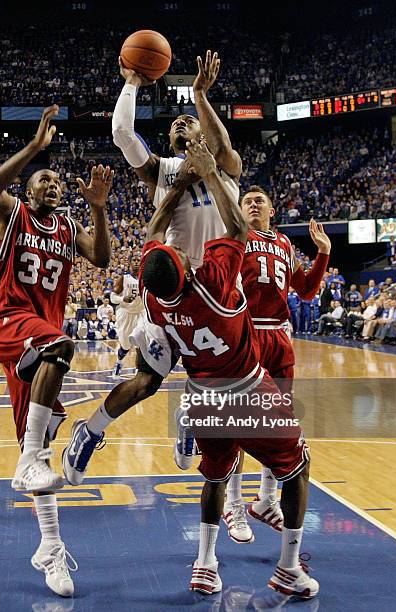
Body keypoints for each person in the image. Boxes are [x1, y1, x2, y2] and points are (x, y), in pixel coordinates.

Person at [138, 142, 317, 598]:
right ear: (182, 265)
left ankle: (204, 563)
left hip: (202, 391)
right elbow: (234, 226)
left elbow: (154, 241)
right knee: (297, 463)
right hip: (246, 384)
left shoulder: (155, 300)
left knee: (214, 474)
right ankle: (288, 568)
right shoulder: (214, 282)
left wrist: (173, 191)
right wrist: (209, 174)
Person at [62, 49, 242, 480]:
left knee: (215, 380)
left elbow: (222, 147)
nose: (180, 122)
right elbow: (123, 133)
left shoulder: (226, 167)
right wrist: (133, 82)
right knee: (146, 381)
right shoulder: (164, 171)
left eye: (189, 121)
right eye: (175, 123)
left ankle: (188, 420)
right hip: (173, 288)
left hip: (217, 287)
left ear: (203, 130)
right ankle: (90, 432)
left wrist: (200, 95)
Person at [0, 106, 113, 597]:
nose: (54, 186)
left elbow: (100, 257)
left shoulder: (66, 227)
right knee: (61, 343)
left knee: (35, 453)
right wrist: (34, 149)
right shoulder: (13, 214)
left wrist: (98, 206)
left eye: (58, 182)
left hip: (34, 348)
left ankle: (50, 549)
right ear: (29, 190)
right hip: (5, 321)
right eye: (44, 181)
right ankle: (29, 460)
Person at [220, 187, 330, 544]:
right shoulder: (235, 236)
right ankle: (233, 503)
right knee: (240, 423)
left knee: (279, 422)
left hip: (279, 339)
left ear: (271, 208)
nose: (253, 204)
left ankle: (266, 499)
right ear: (238, 210)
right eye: (247, 201)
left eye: (259, 200)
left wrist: (323, 254)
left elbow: (307, 290)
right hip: (246, 333)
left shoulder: (283, 244)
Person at [110, 255, 144, 377]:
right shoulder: (123, 278)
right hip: (126, 313)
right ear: (129, 263)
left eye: (138, 260)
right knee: (125, 345)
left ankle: (139, 368)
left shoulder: (146, 278)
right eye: (134, 260)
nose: (136, 262)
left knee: (141, 341)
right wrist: (123, 298)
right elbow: (112, 298)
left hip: (141, 313)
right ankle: (119, 363)